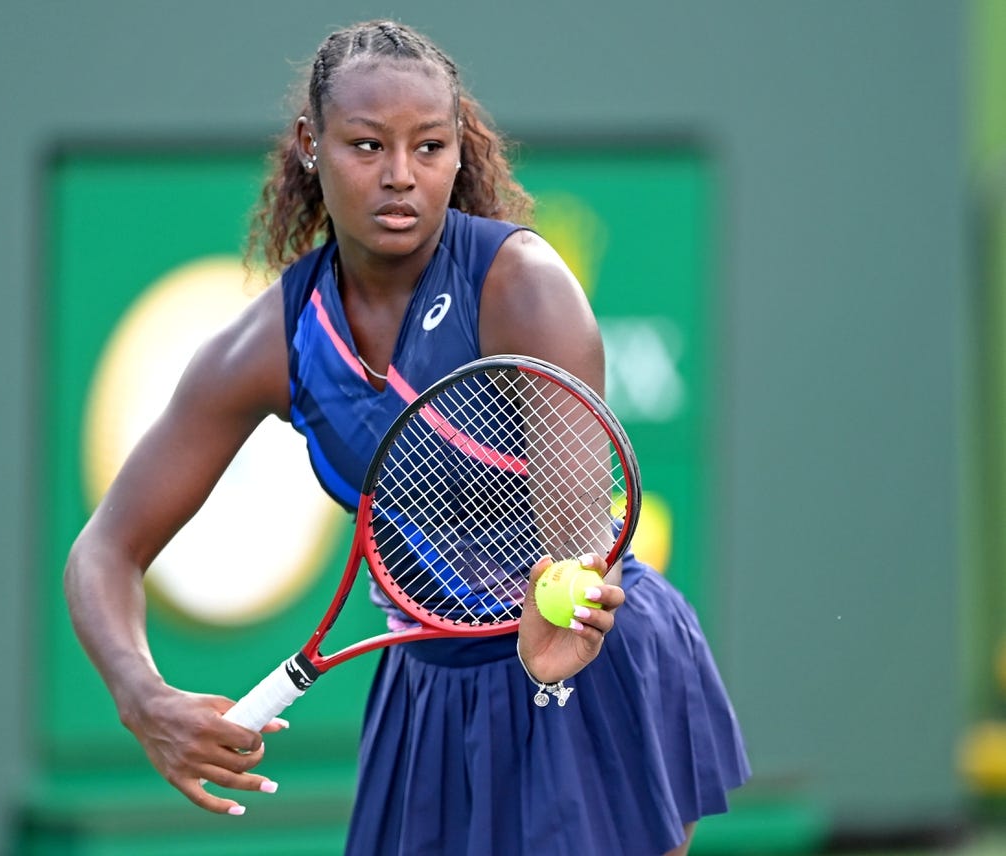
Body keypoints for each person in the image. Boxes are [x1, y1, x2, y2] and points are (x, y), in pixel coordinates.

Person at [64, 19, 750, 856]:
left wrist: (559, 609)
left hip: (577, 655)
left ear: (461, 150)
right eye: (366, 146)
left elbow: (575, 541)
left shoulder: (524, 289)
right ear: (312, 147)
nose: (401, 177)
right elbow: (104, 551)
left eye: (429, 147)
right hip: (427, 689)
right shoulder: (277, 341)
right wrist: (143, 698)